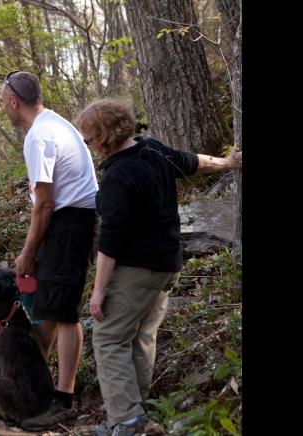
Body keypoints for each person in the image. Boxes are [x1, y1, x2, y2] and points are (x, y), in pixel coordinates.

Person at [74, 98, 242, 435]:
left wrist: (98, 291)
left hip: (136, 267)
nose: (87, 144)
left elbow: (111, 241)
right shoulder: (154, 150)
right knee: (140, 337)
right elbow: (194, 163)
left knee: (109, 338)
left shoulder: (118, 176)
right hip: (168, 262)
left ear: (105, 134)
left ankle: (126, 420)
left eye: (89, 137)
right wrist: (228, 163)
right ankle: (136, 413)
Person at [0, 71, 98, 430]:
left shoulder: (39, 136)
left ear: (13, 101)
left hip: (68, 224)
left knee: (65, 313)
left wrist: (27, 253)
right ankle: (34, 388)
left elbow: (44, 204)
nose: (2, 107)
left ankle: (63, 399)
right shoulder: (57, 123)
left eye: (2, 101)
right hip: (74, 222)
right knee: (50, 309)